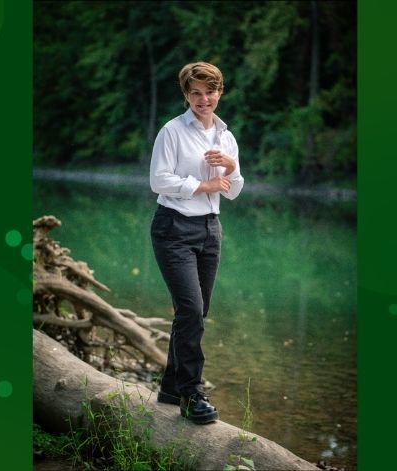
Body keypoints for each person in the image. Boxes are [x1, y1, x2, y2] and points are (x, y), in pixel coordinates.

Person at [149, 62, 244, 425]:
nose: (204, 99)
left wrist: (231, 168)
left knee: (196, 313)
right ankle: (191, 394)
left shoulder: (226, 137)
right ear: (186, 96)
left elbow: (234, 191)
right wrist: (200, 185)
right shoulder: (172, 131)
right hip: (172, 228)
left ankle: (171, 387)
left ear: (219, 92)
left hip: (210, 229)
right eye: (196, 93)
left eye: (210, 91)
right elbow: (159, 180)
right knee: (190, 311)